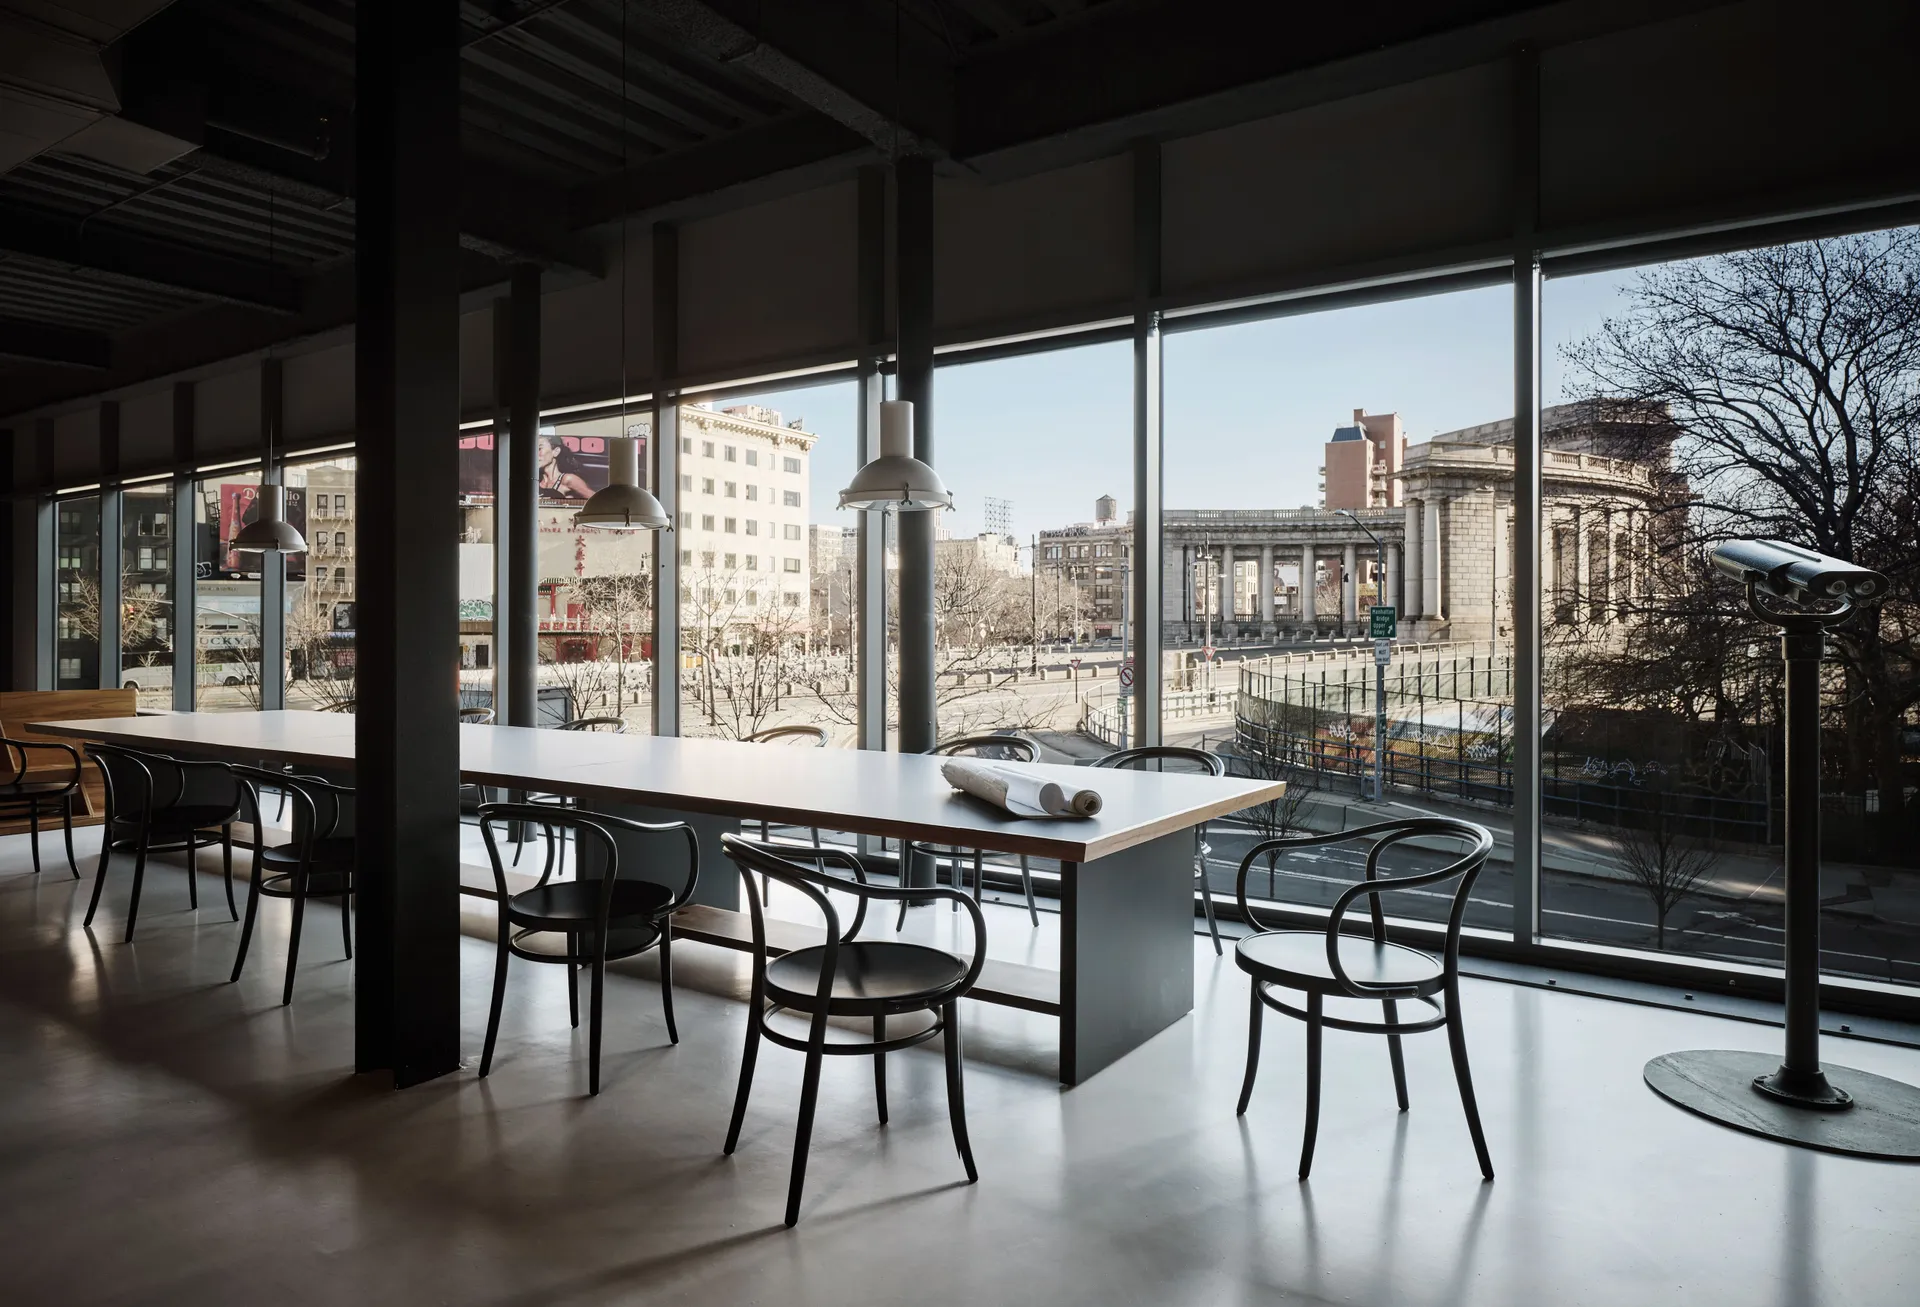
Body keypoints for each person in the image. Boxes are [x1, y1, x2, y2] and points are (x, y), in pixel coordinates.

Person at [538, 434, 595, 501]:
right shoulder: (536, 482)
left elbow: (599, 500)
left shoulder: (568, 479)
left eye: (539, 449)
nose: (534, 454)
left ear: (556, 452)